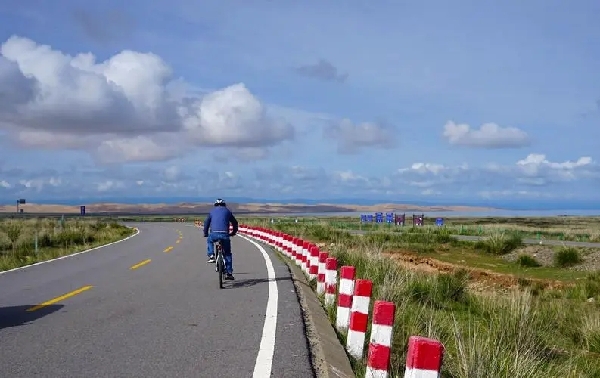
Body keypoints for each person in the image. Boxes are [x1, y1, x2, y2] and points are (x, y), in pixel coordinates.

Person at [203, 198, 239, 280]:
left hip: (214, 234)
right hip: (225, 234)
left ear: (215, 205)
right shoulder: (227, 211)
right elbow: (234, 222)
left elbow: (206, 223)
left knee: (209, 240)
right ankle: (229, 273)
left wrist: (205, 233)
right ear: (224, 205)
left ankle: (211, 255)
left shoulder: (212, 212)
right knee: (227, 254)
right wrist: (233, 232)